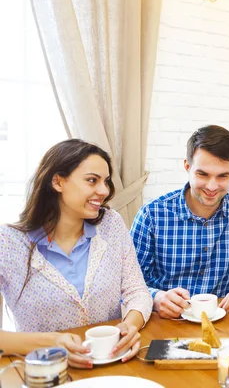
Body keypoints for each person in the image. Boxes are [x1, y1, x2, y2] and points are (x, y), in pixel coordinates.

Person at [0, 139, 152, 368]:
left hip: (111, 365)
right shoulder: (8, 242)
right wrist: (51, 342)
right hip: (45, 372)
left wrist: (131, 323)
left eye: (106, 181)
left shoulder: (111, 225)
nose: (104, 191)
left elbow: (137, 291)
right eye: (92, 180)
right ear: (57, 181)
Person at [131, 125, 229, 319]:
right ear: (187, 167)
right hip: (167, 323)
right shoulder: (152, 215)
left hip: (223, 325)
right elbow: (127, 283)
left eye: (222, 176)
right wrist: (156, 298)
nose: (212, 186)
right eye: (203, 174)